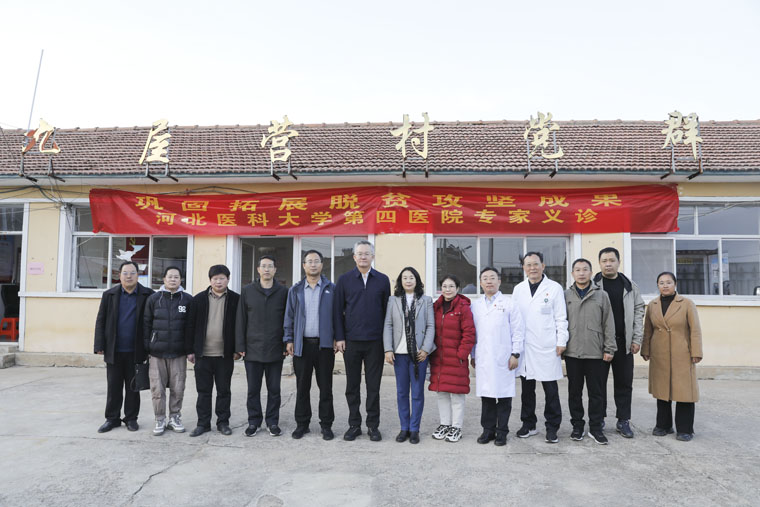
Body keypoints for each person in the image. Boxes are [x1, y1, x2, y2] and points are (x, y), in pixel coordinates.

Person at [333, 240, 391, 442]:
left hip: (375, 341)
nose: (363, 257)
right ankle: (354, 425)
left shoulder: (382, 280)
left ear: (372, 256)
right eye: (360, 253)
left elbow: (387, 313)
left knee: (373, 386)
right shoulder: (344, 280)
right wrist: (339, 337)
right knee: (353, 386)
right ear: (354, 257)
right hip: (352, 341)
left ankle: (373, 426)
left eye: (367, 253)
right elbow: (337, 311)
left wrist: (387, 342)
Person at [512, 251, 568, 443]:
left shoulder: (554, 288)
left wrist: (561, 341)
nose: (532, 268)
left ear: (543, 266)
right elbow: (515, 319)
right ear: (524, 268)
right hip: (525, 347)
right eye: (528, 265)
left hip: (547, 346)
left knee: (550, 389)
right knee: (527, 389)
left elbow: (561, 317)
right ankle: (528, 424)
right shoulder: (518, 289)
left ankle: (552, 427)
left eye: (536, 264)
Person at [641, 272, 703, 442]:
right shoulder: (653, 305)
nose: (665, 285)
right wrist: (645, 349)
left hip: (682, 353)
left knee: (684, 392)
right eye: (661, 283)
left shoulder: (687, 304)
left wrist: (696, 352)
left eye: (668, 282)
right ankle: (663, 425)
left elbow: (695, 330)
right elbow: (648, 330)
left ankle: (685, 429)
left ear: (675, 284)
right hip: (659, 353)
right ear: (657, 285)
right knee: (662, 390)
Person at [94, 261, 154, 433]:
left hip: (137, 350)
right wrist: (99, 344)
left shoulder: (148, 295)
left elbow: (153, 322)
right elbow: (101, 320)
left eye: (132, 273)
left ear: (138, 275)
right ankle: (112, 419)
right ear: (119, 275)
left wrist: (151, 346)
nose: (129, 276)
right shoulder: (109, 295)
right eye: (125, 273)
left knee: (133, 387)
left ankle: (131, 418)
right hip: (114, 349)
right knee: (113, 386)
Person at [284, 250, 337, 440]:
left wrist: (337, 337)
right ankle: (302, 424)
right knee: (302, 387)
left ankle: (326, 425)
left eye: (316, 261)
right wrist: (289, 339)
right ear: (303, 265)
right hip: (302, 345)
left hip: (324, 346)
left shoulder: (332, 289)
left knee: (326, 388)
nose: (313, 265)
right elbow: (289, 316)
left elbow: (338, 316)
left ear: (322, 264)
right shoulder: (295, 290)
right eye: (309, 261)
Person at [593, 247, 645, 438]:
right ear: (599, 263)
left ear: (618, 262)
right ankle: (598, 419)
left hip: (624, 343)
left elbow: (639, 311)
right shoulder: (593, 285)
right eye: (604, 261)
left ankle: (623, 420)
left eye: (612, 260)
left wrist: (636, 338)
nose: (608, 264)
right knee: (598, 385)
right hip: (599, 345)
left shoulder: (630, 286)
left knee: (624, 384)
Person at [564, 258, 616, 445]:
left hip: (596, 353)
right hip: (572, 353)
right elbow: (560, 322)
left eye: (585, 269)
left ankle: (596, 427)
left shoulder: (601, 295)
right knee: (574, 393)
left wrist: (609, 348)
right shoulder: (566, 295)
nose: (581, 273)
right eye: (577, 270)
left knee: (596, 393)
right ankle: (577, 426)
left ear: (591, 272)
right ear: (572, 273)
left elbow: (609, 323)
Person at [470, 267, 524, 446]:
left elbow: (518, 331)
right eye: (485, 278)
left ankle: (502, 431)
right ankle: (488, 430)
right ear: (480, 283)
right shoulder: (475, 306)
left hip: (504, 357)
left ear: (499, 281)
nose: (489, 281)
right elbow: (473, 334)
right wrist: (473, 355)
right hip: (483, 357)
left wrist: (515, 354)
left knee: (503, 396)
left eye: (492, 278)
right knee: (487, 396)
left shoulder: (509, 303)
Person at [236, 255, 289, 437]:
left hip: (275, 348)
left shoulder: (283, 292)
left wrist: (286, 343)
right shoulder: (248, 291)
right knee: (253, 389)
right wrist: (240, 345)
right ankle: (254, 422)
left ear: (275, 270)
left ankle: (272, 422)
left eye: (270, 266)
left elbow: (287, 319)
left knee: (274, 389)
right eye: (264, 266)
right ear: (258, 269)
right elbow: (241, 319)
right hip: (252, 349)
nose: (267, 269)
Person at [185, 265, 240, 437]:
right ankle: (203, 424)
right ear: (210, 280)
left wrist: (238, 349)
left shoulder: (236, 299)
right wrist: (190, 350)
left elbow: (240, 326)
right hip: (203, 355)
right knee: (203, 392)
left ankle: (223, 423)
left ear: (228, 279)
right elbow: (190, 326)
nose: (218, 281)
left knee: (224, 391)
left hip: (225, 355)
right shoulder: (198, 299)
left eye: (222, 278)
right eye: (215, 278)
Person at [383, 267, 435, 444]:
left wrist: (426, 349)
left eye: (411, 277)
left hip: (419, 354)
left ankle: (414, 429)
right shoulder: (393, 300)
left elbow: (430, 326)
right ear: (400, 281)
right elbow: (388, 325)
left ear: (417, 280)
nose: (408, 280)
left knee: (418, 393)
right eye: (404, 278)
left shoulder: (426, 300)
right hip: (399, 353)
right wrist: (388, 349)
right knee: (402, 392)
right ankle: (404, 427)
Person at [143, 266, 193, 436]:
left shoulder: (187, 300)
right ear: (164, 279)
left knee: (178, 388)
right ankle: (159, 419)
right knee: (157, 389)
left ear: (181, 280)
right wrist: (147, 347)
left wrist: (190, 350)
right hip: (157, 353)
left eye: (176, 277)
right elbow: (146, 324)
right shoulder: (154, 299)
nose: (173, 279)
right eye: (170, 276)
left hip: (178, 353)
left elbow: (190, 327)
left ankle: (174, 417)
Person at [428, 275, 476, 443]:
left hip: (456, 359)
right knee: (441, 393)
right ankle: (445, 424)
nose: (447, 289)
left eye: (451, 286)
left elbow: (469, 333)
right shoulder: (435, 307)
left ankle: (456, 427)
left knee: (456, 394)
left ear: (457, 288)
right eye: (444, 286)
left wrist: (461, 354)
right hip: (438, 358)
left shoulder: (463, 307)